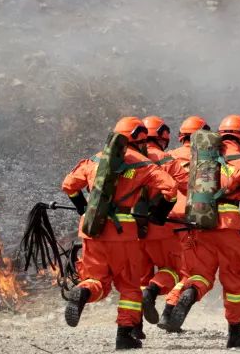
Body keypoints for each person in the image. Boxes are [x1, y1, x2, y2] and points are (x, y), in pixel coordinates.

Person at [165, 115, 240, 348]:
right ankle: (235, 331)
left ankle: (190, 293)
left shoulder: (200, 161)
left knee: (200, 274)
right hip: (229, 228)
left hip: (200, 224)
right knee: (234, 280)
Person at [61, 117, 179, 350]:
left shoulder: (95, 159)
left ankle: (83, 292)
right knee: (130, 286)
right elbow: (171, 188)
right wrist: (158, 215)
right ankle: (124, 335)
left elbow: (68, 185)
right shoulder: (143, 164)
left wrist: (84, 210)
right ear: (140, 139)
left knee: (96, 280)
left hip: (92, 230)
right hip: (122, 233)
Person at [137, 116, 189, 328]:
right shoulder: (166, 159)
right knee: (178, 271)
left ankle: (132, 327)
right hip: (164, 225)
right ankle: (161, 303)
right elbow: (187, 186)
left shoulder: (125, 159)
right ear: (162, 137)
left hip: (132, 228)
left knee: (139, 278)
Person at [157, 116, 209, 328]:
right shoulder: (207, 158)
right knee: (192, 272)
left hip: (164, 220)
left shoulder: (166, 158)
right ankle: (169, 312)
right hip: (191, 223)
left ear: (181, 137)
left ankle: (139, 315)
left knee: (171, 269)